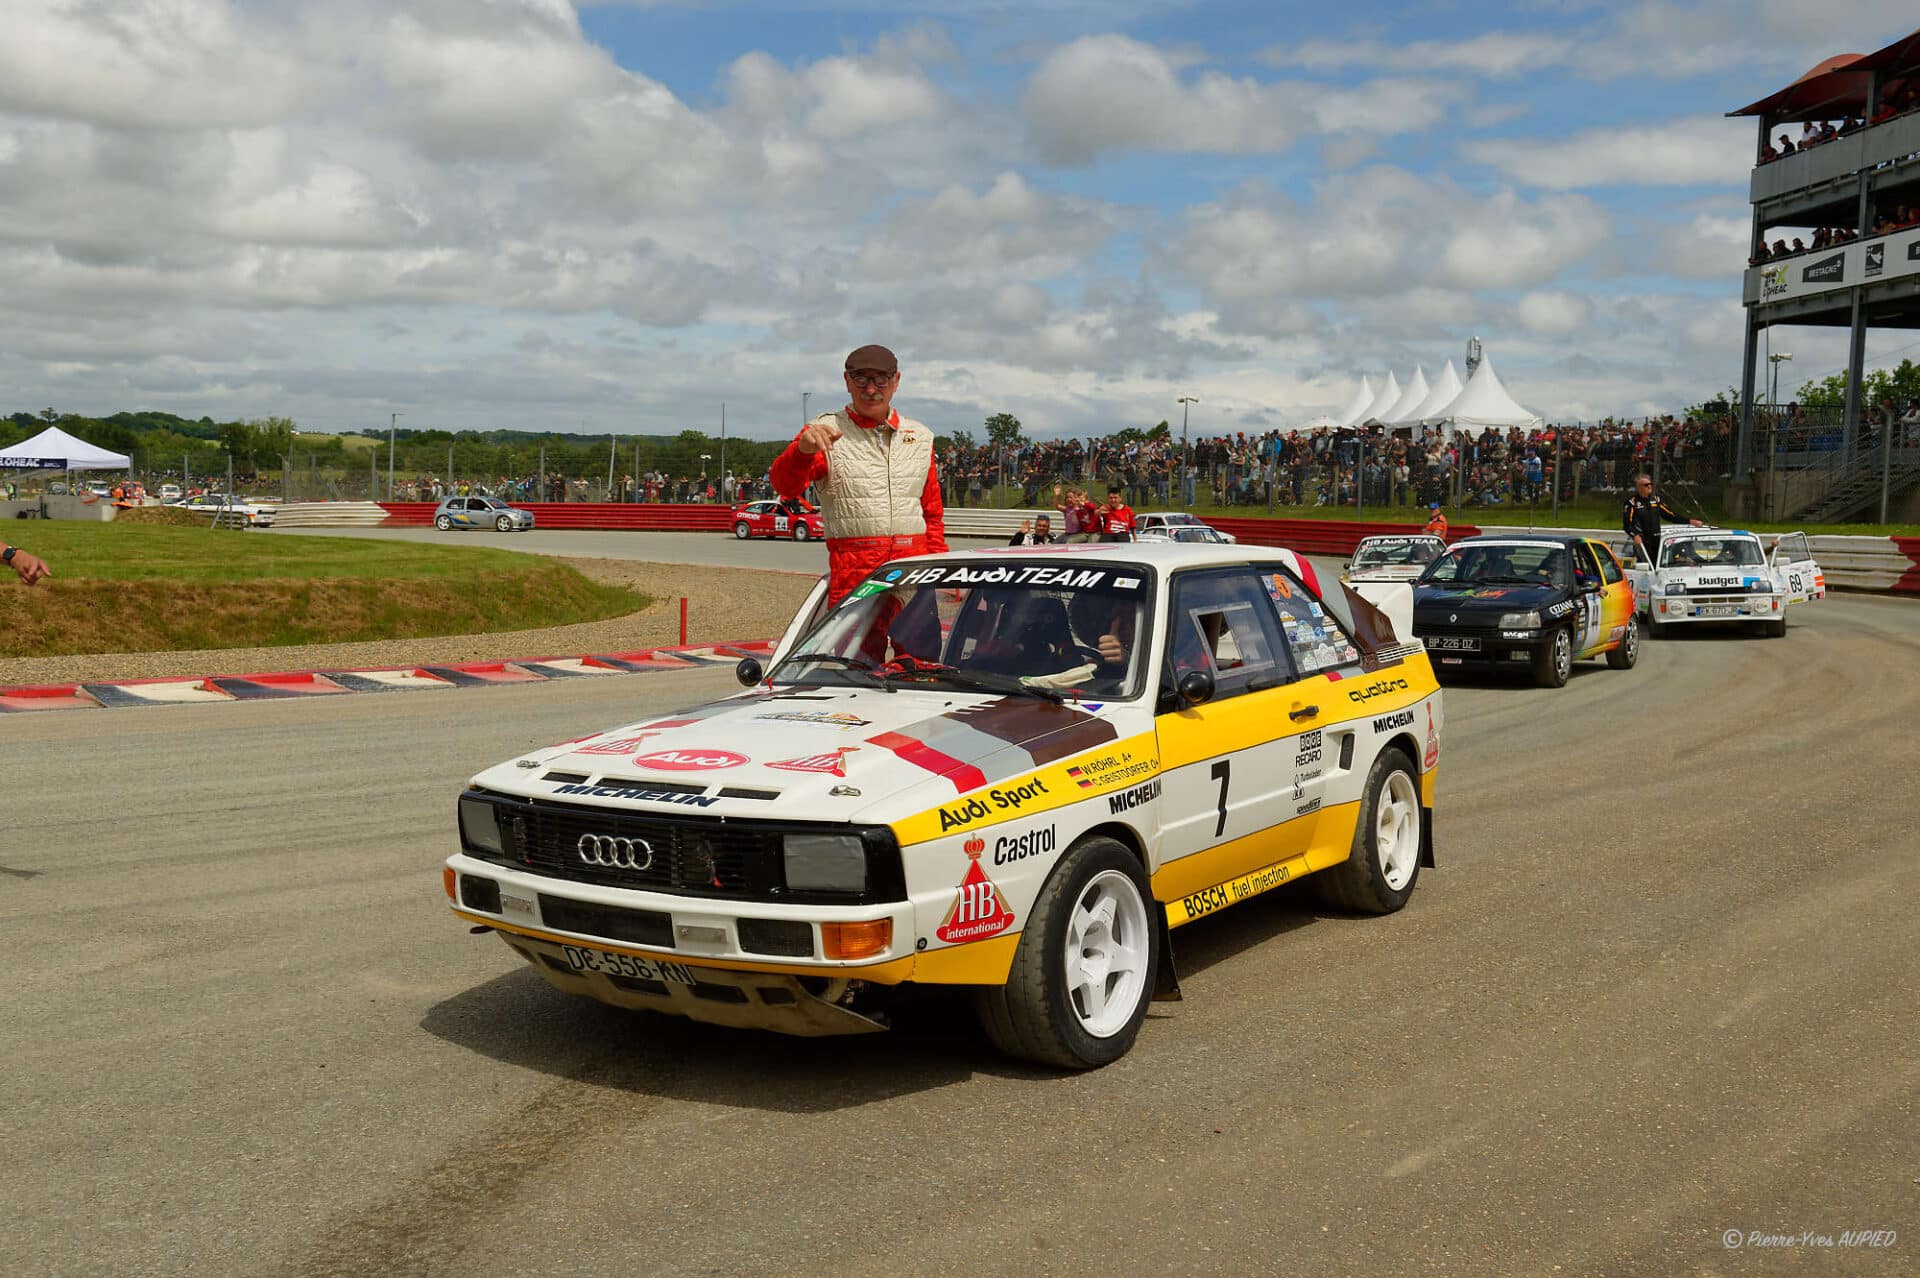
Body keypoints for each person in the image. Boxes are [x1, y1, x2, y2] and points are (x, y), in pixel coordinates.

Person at [770, 343, 947, 605]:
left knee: (919, 647)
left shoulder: (919, 436)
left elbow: (931, 512)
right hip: (854, 568)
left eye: (881, 379)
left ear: (896, 380)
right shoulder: (822, 430)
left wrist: (940, 565)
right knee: (854, 647)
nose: (871, 389)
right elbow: (785, 487)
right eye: (861, 379)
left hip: (913, 565)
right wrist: (801, 452)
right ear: (847, 381)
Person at [1621, 472, 1702, 565]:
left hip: (1657, 540)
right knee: (1645, 565)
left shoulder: (1656, 500)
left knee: (1659, 564)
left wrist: (1690, 521)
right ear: (1639, 487)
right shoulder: (1631, 503)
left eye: (1650, 484)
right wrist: (1635, 535)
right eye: (1646, 485)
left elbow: (1670, 515)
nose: (1649, 486)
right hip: (1642, 541)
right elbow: (1627, 525)